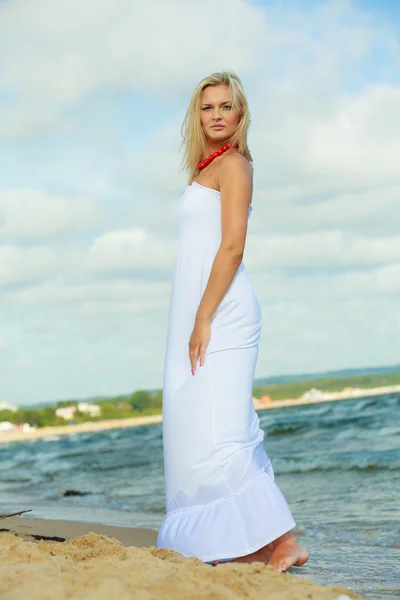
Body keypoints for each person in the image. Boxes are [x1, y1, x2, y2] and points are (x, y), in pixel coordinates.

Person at [156, 71, 309, 572]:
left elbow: (232, 246)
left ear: (240, 115)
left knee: (226, 430)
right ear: (196, 116)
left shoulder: (235, 166)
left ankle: (284, 541)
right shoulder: (206, 168)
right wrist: (193, 318)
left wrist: (203, 318)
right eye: (208, 107)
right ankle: (251, 542)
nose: (217, 115)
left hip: (222, 313)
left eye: (226, 106)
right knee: (198, 429)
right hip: (199, 314)